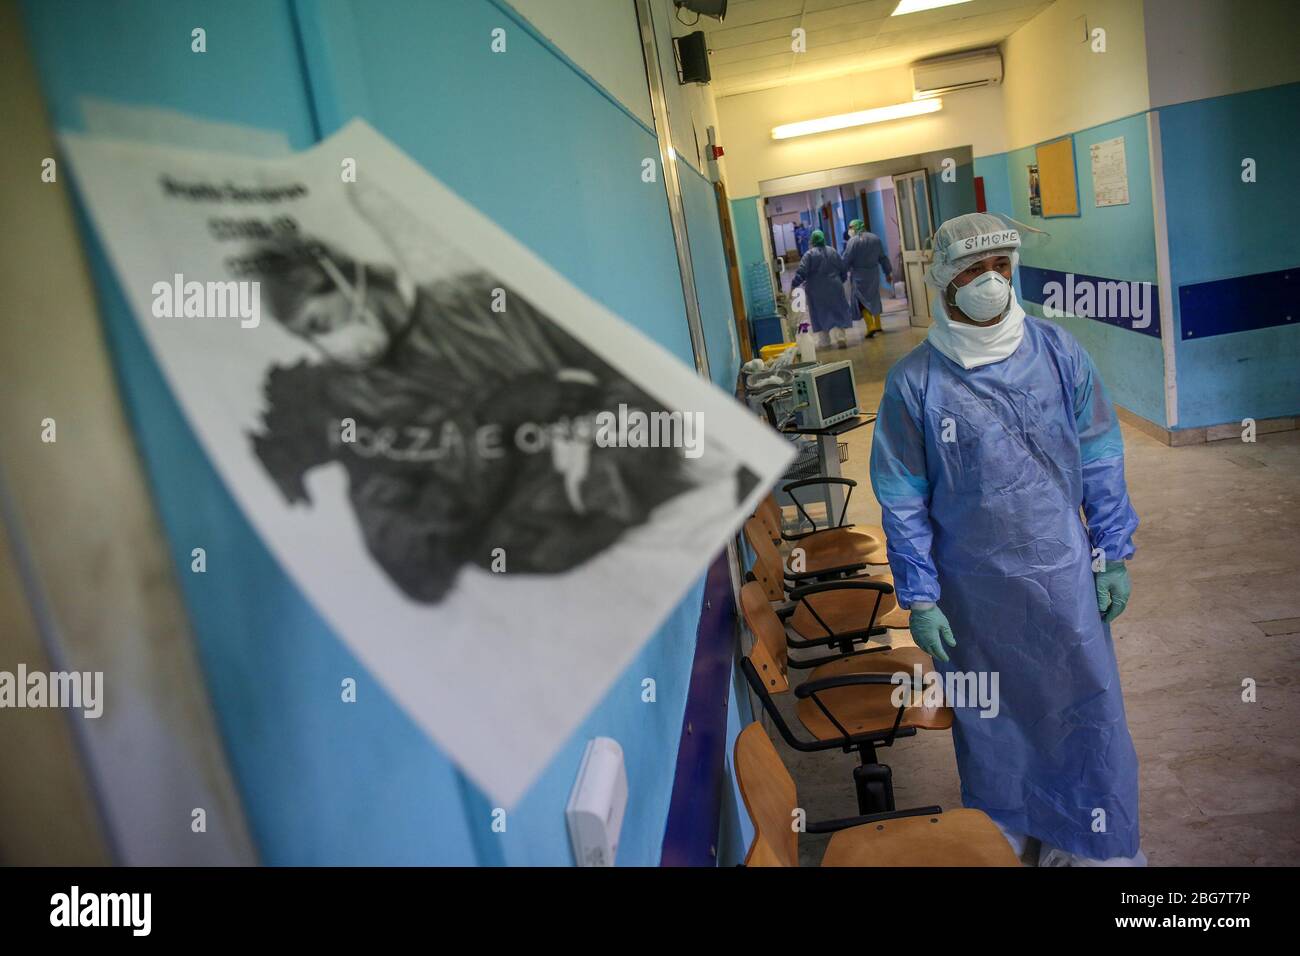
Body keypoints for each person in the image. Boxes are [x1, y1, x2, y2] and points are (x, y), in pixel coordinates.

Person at [868, 212, 1144, 867]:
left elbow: (1100, 452)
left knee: (1082, 701)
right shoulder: (915, 383)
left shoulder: (1058, 352)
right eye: (972, 271)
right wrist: (922, 596)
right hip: (972, 591)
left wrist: (1111, 552)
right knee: (991, 718)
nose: (989, 283)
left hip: (1061, 575)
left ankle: (1094, 839)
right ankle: (1008, 829)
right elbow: (902, 496)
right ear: (942, 281)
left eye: (1000, 268)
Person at [790, 229, 855, 349]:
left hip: (816, 289)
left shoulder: (809, 255)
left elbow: (801, 272)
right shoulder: (832, 251)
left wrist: (794, 285)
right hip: (835, 286)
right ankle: (841, 338)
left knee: (820, 313)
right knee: (838, 311)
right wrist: (841, 279)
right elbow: (842, 268)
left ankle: (825, 341)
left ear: (812, 241)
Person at [842, 219, 892, 339]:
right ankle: (878, 324)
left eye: (851, 227)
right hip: (874, 273)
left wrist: (841, 274)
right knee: (874, 297)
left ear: (855, 227)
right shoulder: (875, 239)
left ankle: (870, 326)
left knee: (861, 300)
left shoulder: (852, 242)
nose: (850, 230)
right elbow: (883, 257)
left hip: (859, 275)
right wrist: (887, 272)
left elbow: (846, 259)